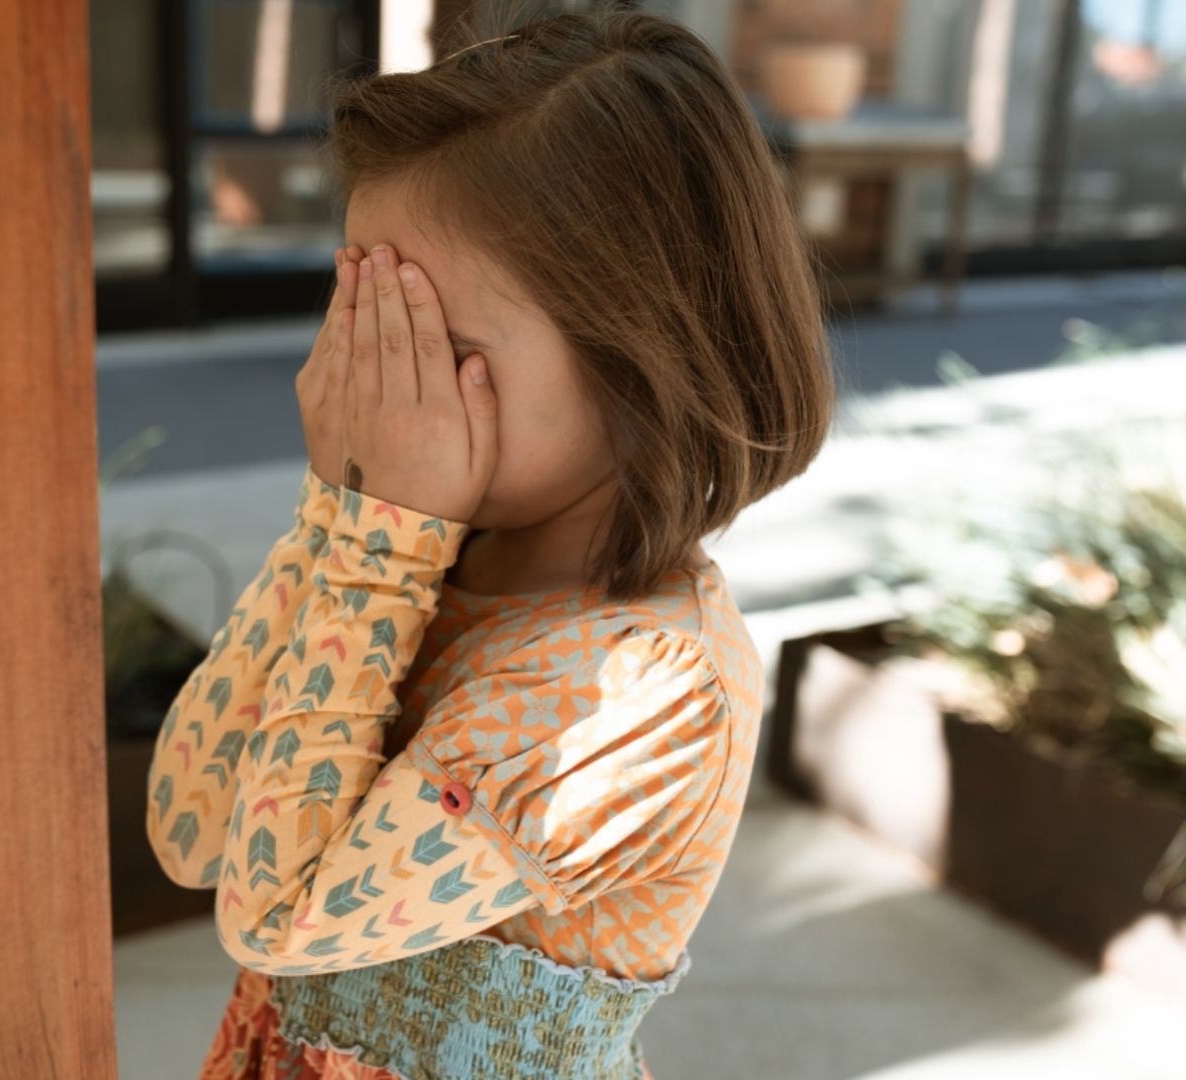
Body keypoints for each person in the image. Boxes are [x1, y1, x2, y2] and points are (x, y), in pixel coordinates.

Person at [146, 8, 836, 1078]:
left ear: (641, 358)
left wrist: (376, 538)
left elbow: (274, 916)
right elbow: (191, 833)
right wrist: (339, 508)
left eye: (437, 350)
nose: (385, 391)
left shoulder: (644, 687)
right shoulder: (418, 562)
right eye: (369, 327)